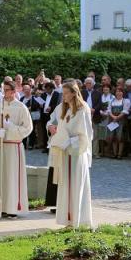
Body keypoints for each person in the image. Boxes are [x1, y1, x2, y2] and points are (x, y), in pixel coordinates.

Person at [49, 81, 94, 229]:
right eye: (63, 93)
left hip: (76, 154)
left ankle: (78, 220)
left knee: (76, 185)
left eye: (66, 93)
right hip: (64, 152)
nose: (64, 96)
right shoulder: (65, 108)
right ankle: (68, 220)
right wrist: (56, 134)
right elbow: (58, 126)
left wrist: (70, 141)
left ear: (74, 93)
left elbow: (87, 135)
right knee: (66, 186)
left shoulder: (83, 109)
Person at [0, 82, 33, 218]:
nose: (5, 93)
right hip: (1, 146)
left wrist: (11, 128)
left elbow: (28, 128)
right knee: (1, 177)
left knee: (12, 178)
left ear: (14, 91)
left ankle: (12, 208)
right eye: (3, 90)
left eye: (7, 90)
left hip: (14, 147)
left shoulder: (21, 107)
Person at [105, 87, 130, 159]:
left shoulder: (125, 101)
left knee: (121, 137)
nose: (118, 93)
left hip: (121, 120)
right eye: (117, 91)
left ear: (123, 93)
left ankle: (120, 154)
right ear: (115, 93)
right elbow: (109, 110)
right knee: (113, 137)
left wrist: (117, 117)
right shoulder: (111, 101)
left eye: (120, 91)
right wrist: (113, 117)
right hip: (112, 120)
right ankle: (115, 153)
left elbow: (125, 111)